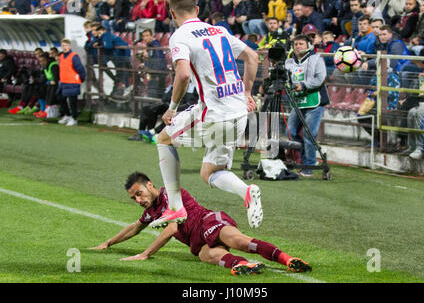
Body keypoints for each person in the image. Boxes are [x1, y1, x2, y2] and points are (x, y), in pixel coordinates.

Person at [151, 0, 262, 229]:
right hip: (238, 113)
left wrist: (172, 108)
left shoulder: (180, 35)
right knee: (210, 172)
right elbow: (253, 57)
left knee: (163, 139)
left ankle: (175, 208)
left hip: (213, 113)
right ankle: (247, 191)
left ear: (172, 14)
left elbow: (182, 75)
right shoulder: (218, 30)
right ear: (198, 9)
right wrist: (246, 93)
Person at [90, 172, 312, 275]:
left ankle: (287, 259)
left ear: (150, 185)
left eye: (139, 194)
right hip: (196, 241)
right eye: (134, 198)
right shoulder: (151, 211)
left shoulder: (171, 194)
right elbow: (134, 227)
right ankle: (244, 265)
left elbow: (172, 228)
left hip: (208, 222)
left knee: (239, 241)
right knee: (210, 256)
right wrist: (108, 243)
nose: (138, 200)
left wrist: (145, 253)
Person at [284, 34, 330, 177]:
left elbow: (320, 79)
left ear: (309, 45)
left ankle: (309, 165)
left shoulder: (317, 59)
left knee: (309, 134)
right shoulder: (289, 62)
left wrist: (303, 85)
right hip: (297, 103)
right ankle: (303, 158)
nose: (298, 46)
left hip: (314, 102)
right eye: (296, 44)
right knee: (290, 132)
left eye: (301, 44)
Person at [57, 39, 86, 127]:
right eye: (63, 46)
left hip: (72, 82)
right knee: (61, 99)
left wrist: (81, 79)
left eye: (66, 45)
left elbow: (80, 69)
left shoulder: (74, 56)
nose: (64, 47)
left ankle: (74, 118)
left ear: (69, 46)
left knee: (72, 101)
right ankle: (67, 115)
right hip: (63, 82)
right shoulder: (61, 56)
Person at [36, 52, 60, 119]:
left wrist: (53, 81)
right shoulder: (45, 67)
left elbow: (56, 78)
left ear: (47, 59)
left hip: (58, 84)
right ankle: (44, 109)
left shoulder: (53, 65)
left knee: (51, 89)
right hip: (50, 83)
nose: (42, 63)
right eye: (40, 61)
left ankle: (51, 112)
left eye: (43, 61)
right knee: (39, 88)